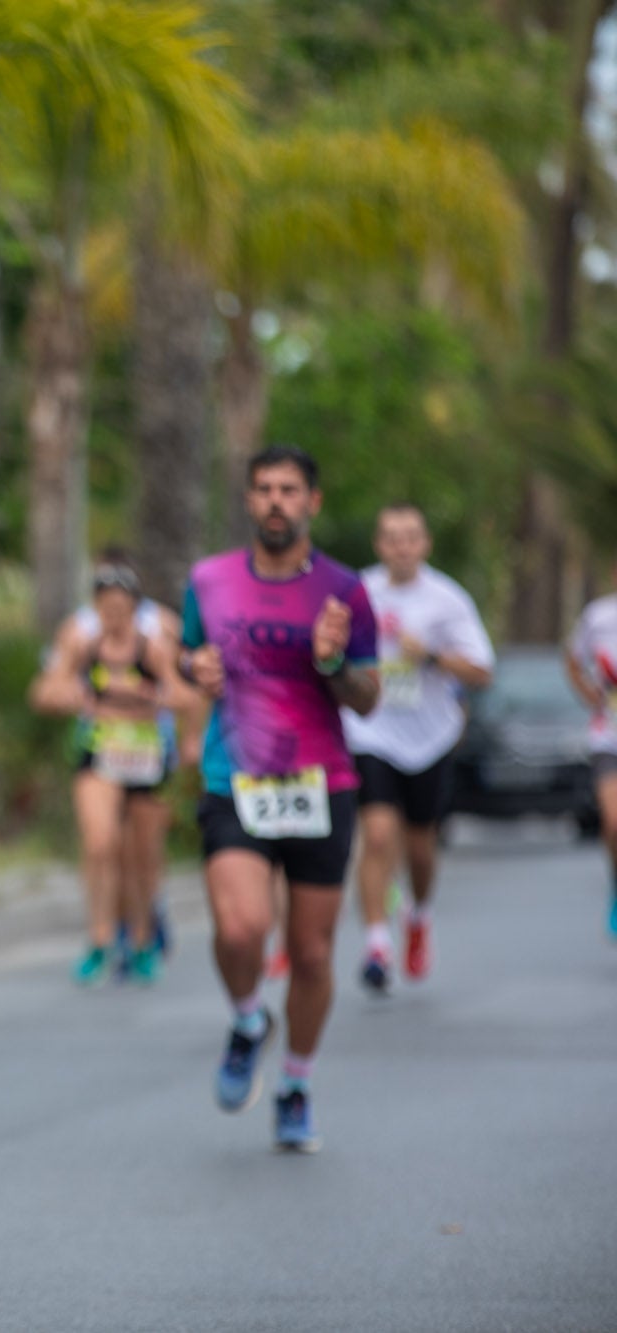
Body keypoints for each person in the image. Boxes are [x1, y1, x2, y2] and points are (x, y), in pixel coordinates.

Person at [180, 445, 378, 1154]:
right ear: (248, 498)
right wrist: (193, 666)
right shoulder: (208, 579)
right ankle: (245, 1018)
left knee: (312, 952)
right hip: (235, 777)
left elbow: (368, 693)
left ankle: (295, 1081)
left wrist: (330, 661)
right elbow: (189, 654)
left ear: (311, 502)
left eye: (289, 489)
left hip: (323, 783)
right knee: (241, 929)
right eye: (263, 488)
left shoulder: (345, 591)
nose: (275, 501)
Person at [341, 504, 494, 992]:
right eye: (391, 537)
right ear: (378, 545)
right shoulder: (356, 592)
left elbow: (482, 670)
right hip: (372, 731)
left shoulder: (446, 599)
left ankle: (419, 916)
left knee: (419, 845)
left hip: (430, 737)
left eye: (410, 537)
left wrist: (427, 654)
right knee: (379, 834)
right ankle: (375, 945)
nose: (401, 546)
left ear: (424, 544)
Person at [30, 559, 181, 985]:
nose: (113, 616)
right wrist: (74, 696)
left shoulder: (153, 645)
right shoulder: (85, 645)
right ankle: (99, 937)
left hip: (147, 757)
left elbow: (185, 694)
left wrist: (153, 697)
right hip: (99, 754)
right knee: (100, 843)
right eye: (106, 608)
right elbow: (45, 691)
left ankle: (142, 937)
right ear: (96, 608)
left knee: (141, 853)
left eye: (121, 608)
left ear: (135, 607)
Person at [565, 566, 617, 938]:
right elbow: (571, 658)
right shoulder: (599, 617)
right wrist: (588, 694)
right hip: (608, 737)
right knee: (613, 822)